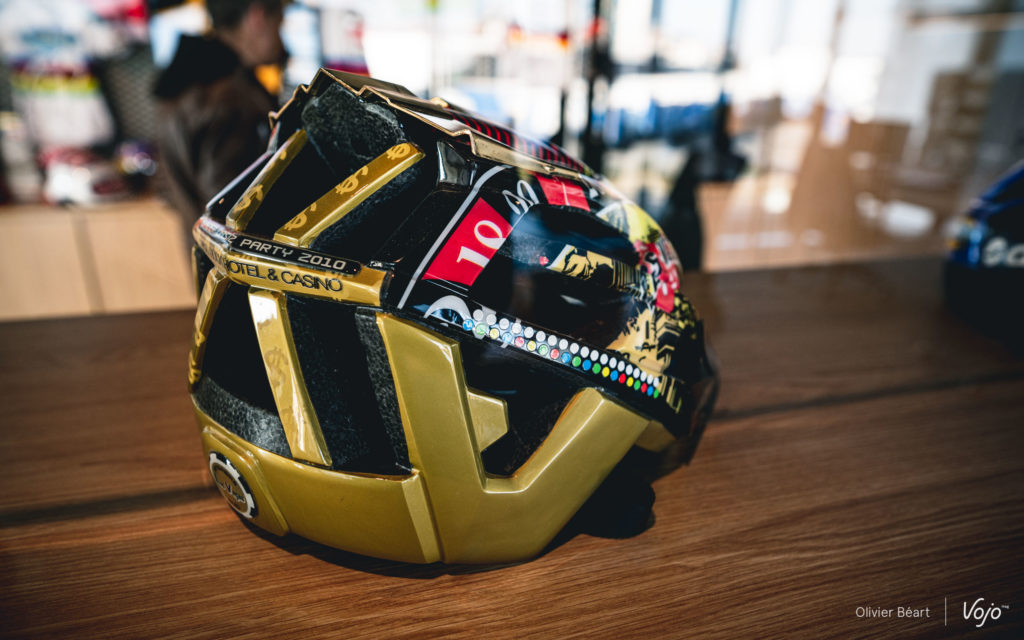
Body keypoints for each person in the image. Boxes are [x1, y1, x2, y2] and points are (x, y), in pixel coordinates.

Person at [154, 0, 285, 246]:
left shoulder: (183, 83)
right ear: (257, 17)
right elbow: (232, 208)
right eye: (279, 24)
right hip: (239, 261)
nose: (281, 41)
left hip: (205, 253)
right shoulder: (228, 98)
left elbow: (165, 187)